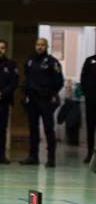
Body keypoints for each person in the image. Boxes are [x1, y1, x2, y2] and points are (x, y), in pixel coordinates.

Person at [21, 37, 64, 167]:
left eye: (42, 45)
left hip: (46, 100)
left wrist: (49, 93)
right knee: (33, 129)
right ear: (35, 46)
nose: (40, 47)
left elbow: (59, 82)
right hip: (32, 100)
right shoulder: (29, 61)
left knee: (48, 129)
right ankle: (33, 156)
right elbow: (27, 77)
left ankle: (51, 158)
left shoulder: (52, 62)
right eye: (38, 44)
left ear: (47, 46)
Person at [81, 50, 96, 165]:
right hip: (91, 100)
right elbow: (83, 79)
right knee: (90, 127)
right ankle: (90, 153)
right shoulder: (89, 61)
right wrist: (87, 93)